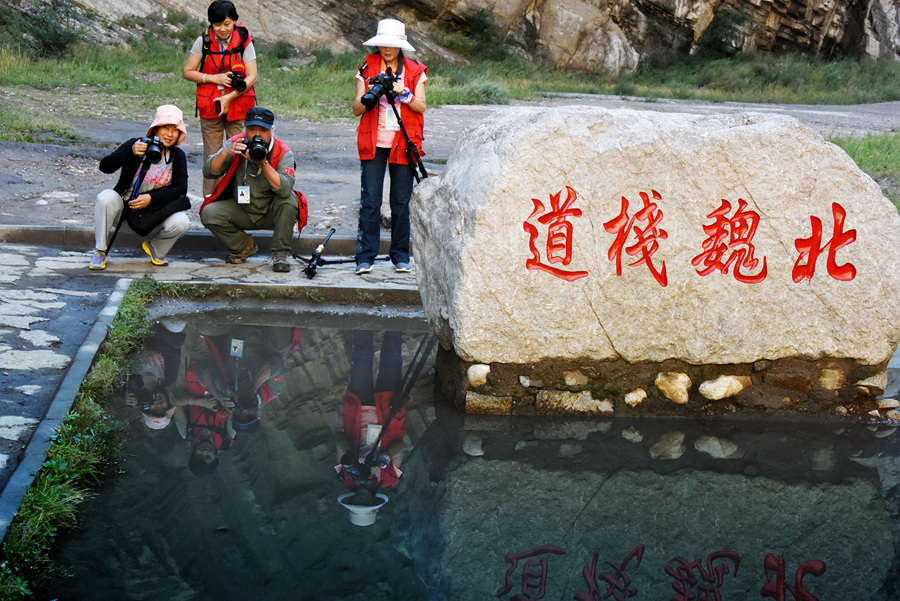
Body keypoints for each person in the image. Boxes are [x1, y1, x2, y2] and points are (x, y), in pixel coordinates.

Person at [352, 18, 428, 275]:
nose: (386, 49)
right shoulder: (367, 66)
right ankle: (365, 257)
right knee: (370, 201)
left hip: (404, 141)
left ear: (401, 45)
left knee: (400, 201)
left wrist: (403, 93)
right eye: (383, 44)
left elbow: (421, 106)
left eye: (392, 44)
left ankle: (400, 256)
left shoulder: (415, 70)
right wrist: (371, 94)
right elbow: (356, 109)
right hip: (374, 140)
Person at [200, 107, 306, 272]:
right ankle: (244, 245)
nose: (257, 134)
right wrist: (225, 152)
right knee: (209, 213)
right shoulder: (237, 142)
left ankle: (280, 252)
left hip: (271, 212)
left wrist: (263, 163)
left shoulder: (283, 151)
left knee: (290, 201)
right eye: (251, 129)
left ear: (271, 130)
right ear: (244, 129)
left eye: (263, 130)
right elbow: (209, 171)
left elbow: (285, 189)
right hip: (242, 209)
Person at [89, 104, 190, 270]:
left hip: (153, 216)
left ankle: (156, 248)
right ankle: (100, 251)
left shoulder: (177, 156)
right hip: (124, 212)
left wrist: (151, 199)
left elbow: (181, 189)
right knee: (105, 197)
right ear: (156, 128)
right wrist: (130, 152)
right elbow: (105, 167)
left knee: (182, 221)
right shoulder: (136, 145)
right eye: (166, 127)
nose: (170, 134)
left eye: (175, 129)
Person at [182, 0, 258, 197]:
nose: (222, 29)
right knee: (213, 157)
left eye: (227, 24)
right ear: (211, 24)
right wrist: (212, 78)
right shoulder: (203, 41)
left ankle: (241, 202)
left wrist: (230, 97)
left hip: (239, 105)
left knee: (242, 154)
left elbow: (252, 76)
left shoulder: (243, 39)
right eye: (217, 25)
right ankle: (210, 203)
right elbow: (188, 72)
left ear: (234, 21)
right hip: (210, 107)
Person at [335, 330, 406, 492]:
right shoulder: (390, 478)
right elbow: (401, 447)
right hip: (389, 411)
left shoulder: (345, 476)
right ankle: (394, 315)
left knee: (361, 357)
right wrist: (384, 459)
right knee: (392, 358)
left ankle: (364, 319)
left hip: (358, 407)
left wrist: (351, 459)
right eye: (365, 501)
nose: (361, 496)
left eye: (358, 500)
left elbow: (338, 437)